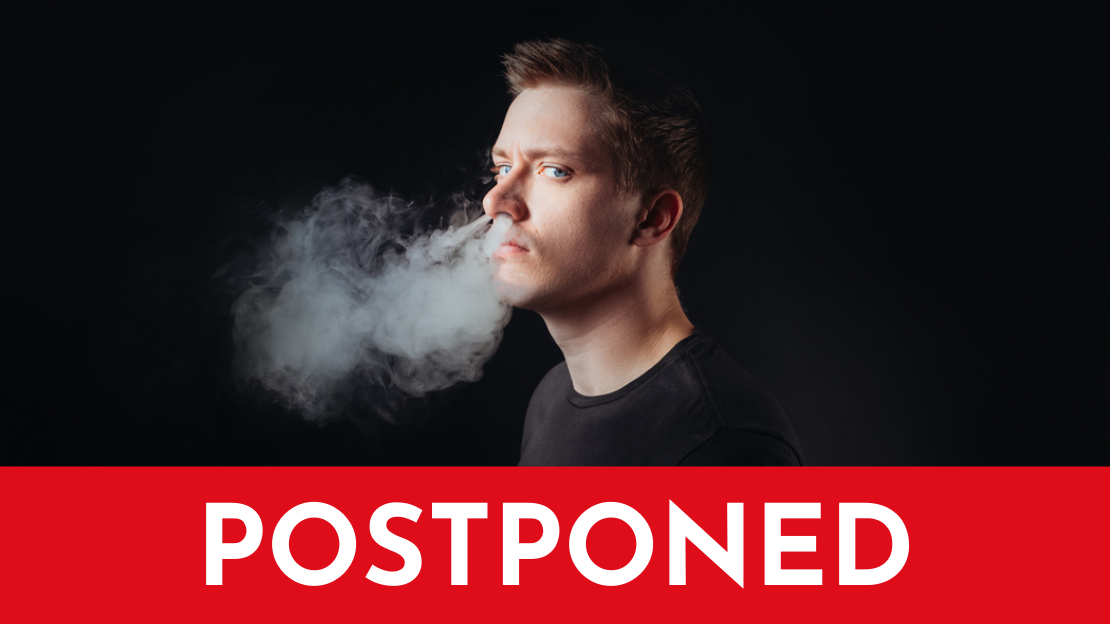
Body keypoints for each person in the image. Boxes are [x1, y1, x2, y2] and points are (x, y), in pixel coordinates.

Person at [483, 39, 803, 466]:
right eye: (503, 168)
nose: (496, 201)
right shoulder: (553, 396)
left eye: (555, 170)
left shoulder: (723, 445)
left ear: (652, 218)